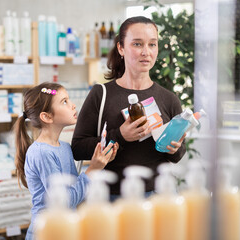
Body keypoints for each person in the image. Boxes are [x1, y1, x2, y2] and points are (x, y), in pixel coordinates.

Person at [71, 16, 186, 201]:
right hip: (113, 198)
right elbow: (78, 148)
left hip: (160, 196)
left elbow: (178, 155)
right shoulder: (101, 94)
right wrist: (120, 136)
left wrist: (174, 148)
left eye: (152, 44)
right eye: (138, 44)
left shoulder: (169, 98)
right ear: (121, 48)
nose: (146, 52)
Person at [14, 82, 119, 240]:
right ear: (47, 116)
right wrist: (92, 170)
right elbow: (64, 201)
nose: (73, 105)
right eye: (64, 101)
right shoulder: (41, 153)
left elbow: (77, 190)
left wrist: (102, 162)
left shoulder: (64, 147)